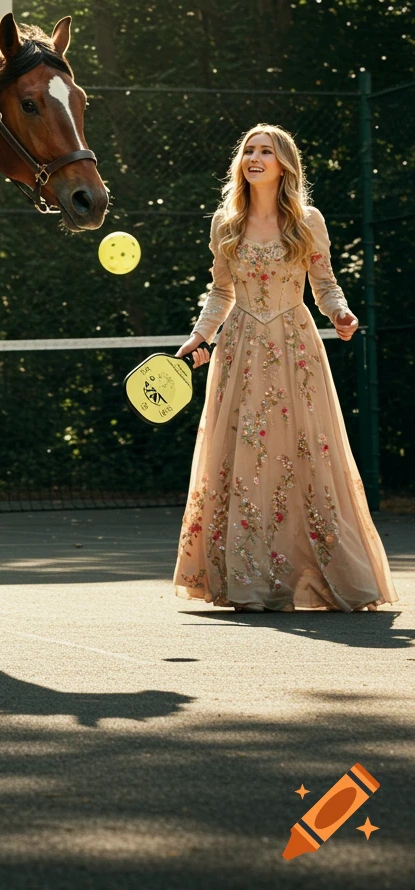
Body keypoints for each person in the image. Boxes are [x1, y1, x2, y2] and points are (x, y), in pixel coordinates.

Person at [172, 124, 397, 612]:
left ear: (284, 164)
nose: (254, 157)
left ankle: (318, 576)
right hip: (238, 351)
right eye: (248, 150)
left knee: (303, 456)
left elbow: (325, 284)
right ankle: (247, 584)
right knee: (243, 458)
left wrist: (340, 313)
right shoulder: (224, 222)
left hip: (294, 350)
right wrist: (198, 337)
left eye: (265, 151)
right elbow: (221, 292)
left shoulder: (307, 220)